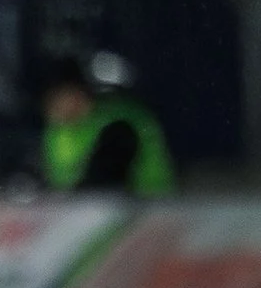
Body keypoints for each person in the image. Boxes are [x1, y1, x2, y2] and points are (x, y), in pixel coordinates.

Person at [42, 52, 173, 196]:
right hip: (76, 212)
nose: (49, 108)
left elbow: (102, 187)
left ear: (75, 91)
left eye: (53, 98)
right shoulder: (57, 130)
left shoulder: (121, 121)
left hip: (145, 207)